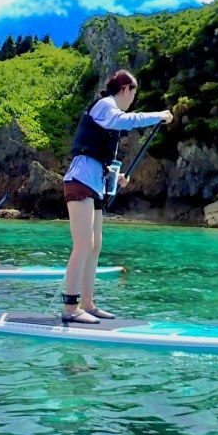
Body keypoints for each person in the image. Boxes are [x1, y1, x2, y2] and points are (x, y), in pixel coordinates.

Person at [61, 69, 173, 323]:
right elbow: (123, 121)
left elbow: (96, 156)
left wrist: (115, 175)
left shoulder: (109, 111)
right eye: (133, 94)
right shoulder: (105, 105)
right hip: (79, 181)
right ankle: (70, 307)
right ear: (125, 89)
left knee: (95, 245)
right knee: (83, 244)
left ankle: (87, 304)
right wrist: (158, 116)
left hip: (95, 183)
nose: (132, 100)